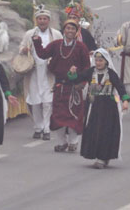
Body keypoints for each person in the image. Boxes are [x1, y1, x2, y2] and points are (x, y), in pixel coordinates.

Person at [32, 19, 90, 153]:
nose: (70, 31)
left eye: (73, 29)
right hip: (59, 86)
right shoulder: (56, 45)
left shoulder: (81, 47)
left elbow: (87, 67)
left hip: (75, 87)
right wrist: (36, 41)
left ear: (76, 32)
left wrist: (82, 83)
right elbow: (43, 54)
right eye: (68, 28)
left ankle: (73, 142)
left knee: (73, 115)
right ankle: (61, 142)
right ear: (64, 30)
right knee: (58, 116)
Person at [67, 49, 130, 169]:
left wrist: (125, 101)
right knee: (94, 131)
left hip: (108, 108)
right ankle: (97, 156)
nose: (98, 62)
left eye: (100, 60)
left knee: (106, 132)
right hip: (94, 107)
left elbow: (120, 87)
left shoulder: (111, 74)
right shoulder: (91, 72)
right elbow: (77, 79)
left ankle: (103, 157)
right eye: (96, 60)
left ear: (106, 61)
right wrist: (72, 73)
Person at [20, 5, 62, 140]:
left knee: (48, 101)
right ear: (36, 20)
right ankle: (38, 127)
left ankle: (47, 128)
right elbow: (21, 47)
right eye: (40, 18)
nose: (42, 21)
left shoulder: (56, 34)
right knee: (35, 101)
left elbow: (61, 50)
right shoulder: (29, 34)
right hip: (33, 71)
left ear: (48, 20)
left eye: (44, 18)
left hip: (49, 72)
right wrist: (24, 50)